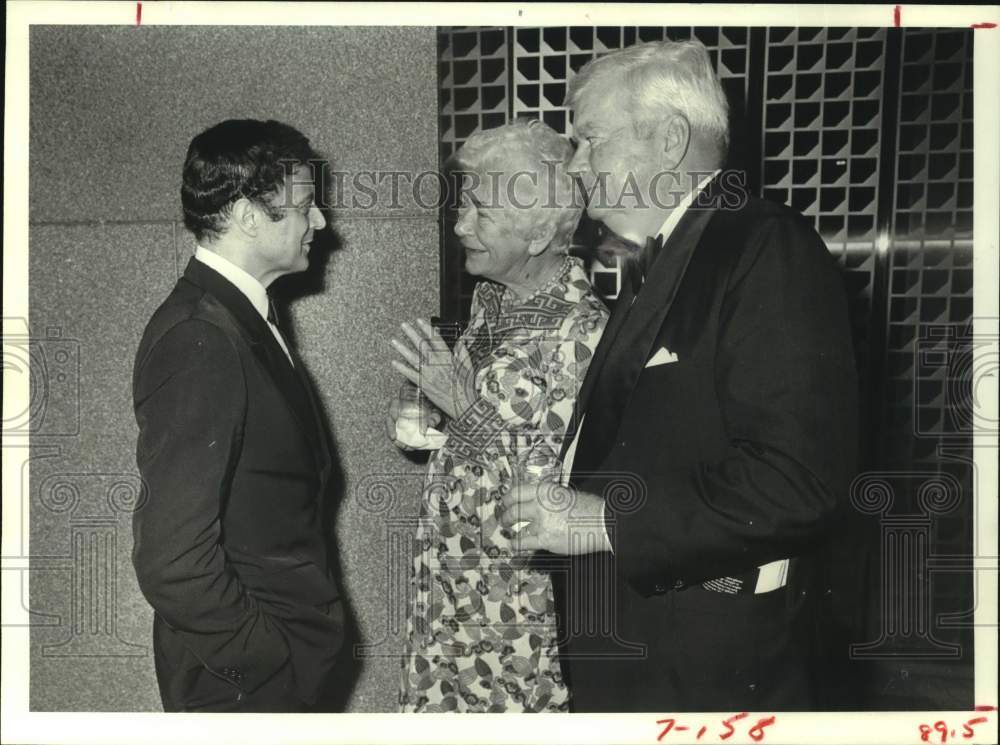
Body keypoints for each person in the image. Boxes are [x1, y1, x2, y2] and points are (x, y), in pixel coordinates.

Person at [500, 40, 858, 712]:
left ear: (668, 140)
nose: (576, 166)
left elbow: (797, 481)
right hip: (648, 645)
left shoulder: (763, 247)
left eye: (591, 142)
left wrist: (602, 521)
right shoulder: (664, 255)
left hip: (707, 666)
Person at [389, 120, 609, 712]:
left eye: (480, 213)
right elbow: (475, 430)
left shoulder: (580, 334)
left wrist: (460, 404)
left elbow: (546, 491)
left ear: (538, 233)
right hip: (451, 588)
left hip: (512, 612)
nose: (460, 225)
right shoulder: (494, 301)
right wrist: (432, 416)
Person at [131, 119, 345, 712]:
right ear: (251, 216)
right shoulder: (201, 335)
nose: (321, 222)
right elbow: (171, 561)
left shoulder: (240, 316)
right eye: (306, 206)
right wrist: (272, 661)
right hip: (246, 687)